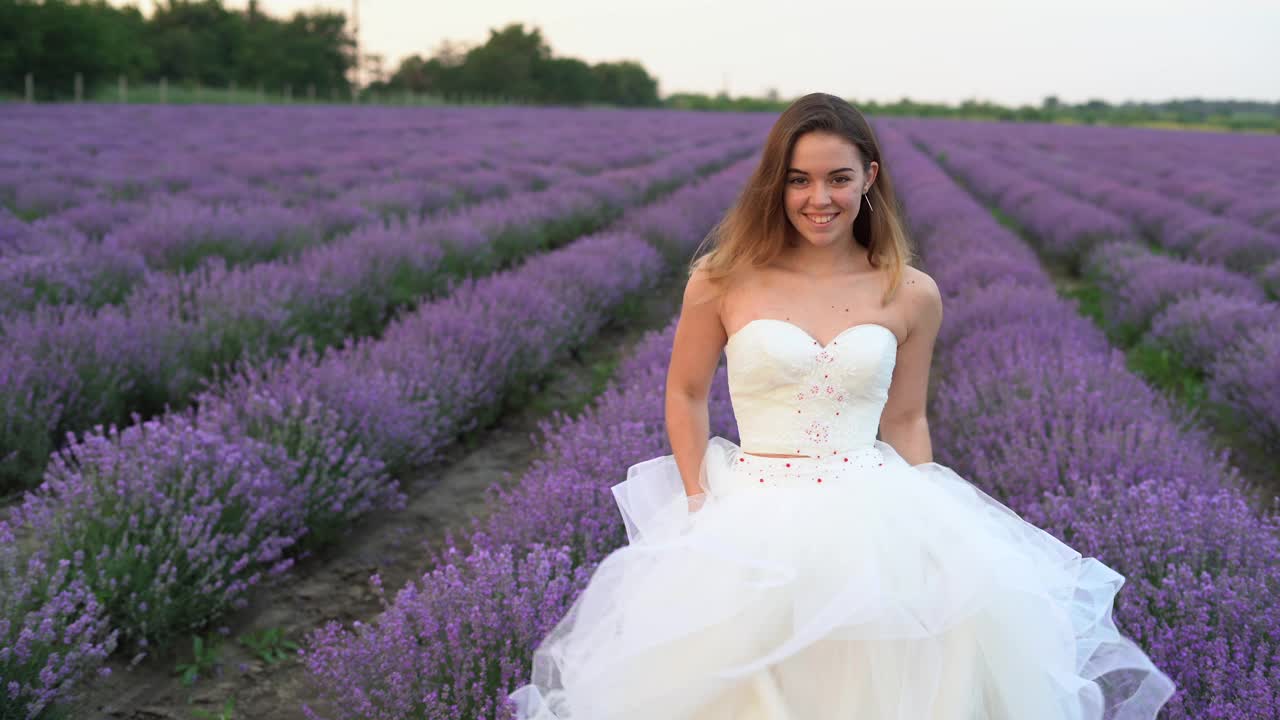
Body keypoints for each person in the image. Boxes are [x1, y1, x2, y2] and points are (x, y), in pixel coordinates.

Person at [507, 93, 1176, 719]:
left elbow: (907, 418)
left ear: (869, 178)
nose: (818, 198)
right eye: (799, 179)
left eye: (837, 178)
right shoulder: (721, 278)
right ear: (777, 183)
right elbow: (684, 394)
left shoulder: (911, 292)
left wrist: (932, 535)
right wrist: (695, 503)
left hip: (871, 508)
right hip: (750, 511)